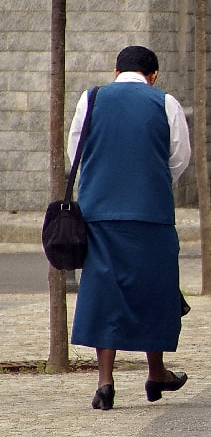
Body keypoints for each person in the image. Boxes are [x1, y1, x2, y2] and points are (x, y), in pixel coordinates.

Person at [69, 45, 192, 411]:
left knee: (105, 291)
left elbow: (76, 150)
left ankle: (105, 381)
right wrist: (150, 181)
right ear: (153, 75)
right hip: (150, 213)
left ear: (115, 70)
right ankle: (156, 370)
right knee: (155, 288)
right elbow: (178, 159)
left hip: (100, 211)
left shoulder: (89, 99)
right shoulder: (165, 103)